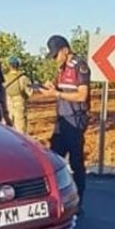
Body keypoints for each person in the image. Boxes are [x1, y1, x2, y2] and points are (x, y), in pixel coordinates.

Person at [38, 35, 90, 208]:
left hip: (75, 121)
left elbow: (82, 95)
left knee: (76, 162)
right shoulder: (61, 69)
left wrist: (57, 94)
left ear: (65, 51)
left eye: (55, 55)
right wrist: (52, 89)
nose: (54, 59)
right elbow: (61, 90)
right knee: (54, 160)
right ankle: (56, 200)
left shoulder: (79, 66)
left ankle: (79, 201)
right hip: (62, 120)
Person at [2, 55, 35, 135]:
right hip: (19, 103)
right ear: (18, 65)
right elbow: (29, 92)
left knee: (6, 128)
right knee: (20, 129)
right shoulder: (23, 78)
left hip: (7, 103)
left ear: (9, 65)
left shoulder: (4, 78)